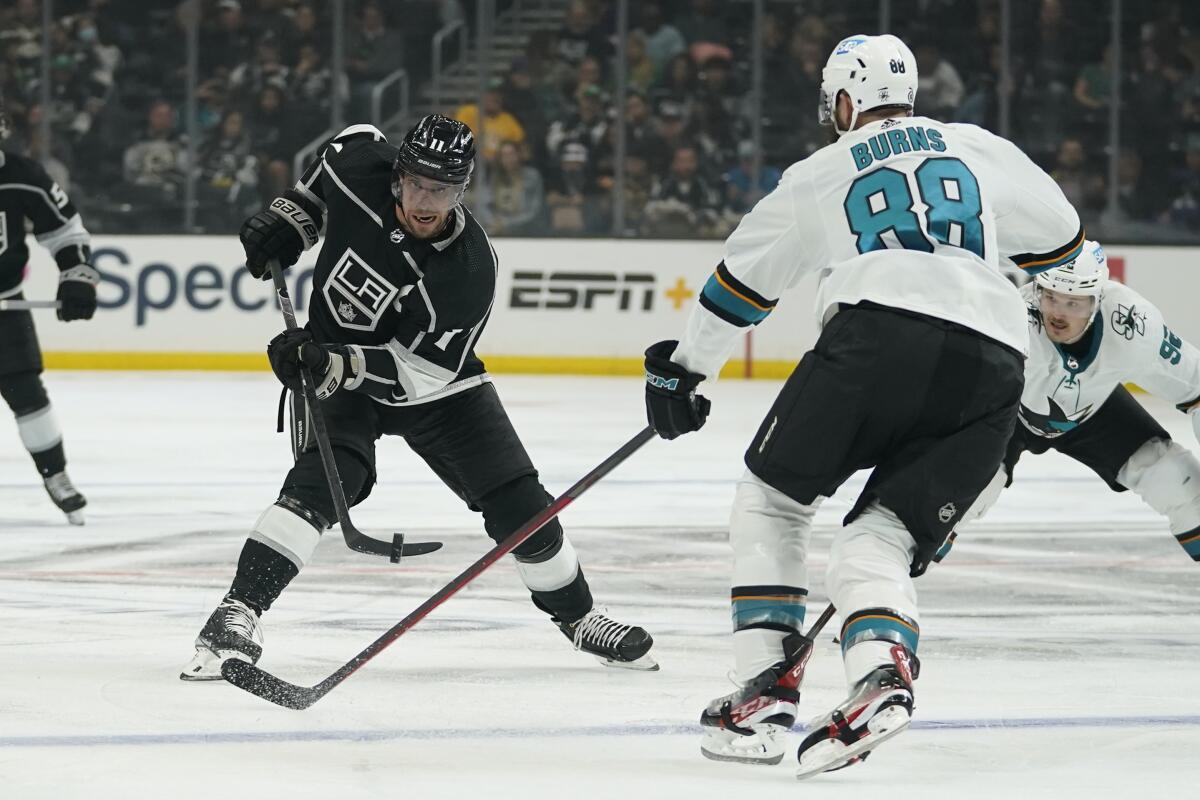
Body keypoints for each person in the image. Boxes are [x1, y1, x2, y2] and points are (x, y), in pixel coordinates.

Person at [640, 34, 1084, 778]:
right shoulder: (978, 146)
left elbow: (736, 288)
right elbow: (1064, 241)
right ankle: (880, 671)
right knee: (880, 538)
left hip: (878, 332)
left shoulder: (820, 171)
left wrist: (683, 374)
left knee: (774, 501)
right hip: (995, 358)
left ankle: (764, 690)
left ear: (844, 102)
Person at [181, 115, 656, 681]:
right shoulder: (360, 167)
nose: (427, 201)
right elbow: (341, 150)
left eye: (445, 190)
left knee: (521, 505)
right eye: (417, 184)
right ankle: (236, 613)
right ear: (397, 176)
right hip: (336, 364)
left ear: (464, 190)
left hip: (436, 386)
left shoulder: (469, 268)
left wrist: (332, 360)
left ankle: (580, 618)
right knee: (330, 481)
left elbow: (419, 375)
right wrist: (294, 219)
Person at [942, 241, 1200, 564]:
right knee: (958, 495)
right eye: (1050, 297)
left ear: (1097, 300)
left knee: (1178, 482)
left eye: (1073, 303)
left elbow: (1195, 384)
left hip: (1093, 409)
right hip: (1009, 411)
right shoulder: (1011, 322)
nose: (1058, 314)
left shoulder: (1132, 324)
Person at [0, 103, 97, 523]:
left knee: (28, 396)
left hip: (5, 305)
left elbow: (65, 231)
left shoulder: (23, 175)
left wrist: (76, 275)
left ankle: (55, 476)